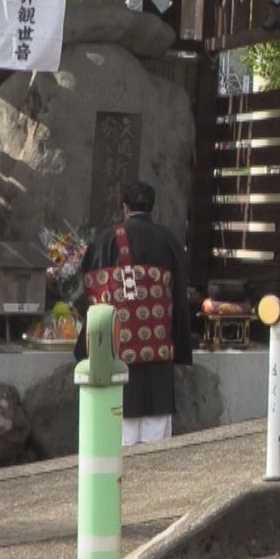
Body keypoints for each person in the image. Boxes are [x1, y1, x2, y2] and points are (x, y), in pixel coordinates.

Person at [75, 180, 192, 448]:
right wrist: (182, 346)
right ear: (153, 209)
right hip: (159, 353)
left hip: (119, 352)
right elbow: (180, 297)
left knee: (119, 438)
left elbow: (93, 294)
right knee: (157, 439)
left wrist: (85, 348)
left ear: (125, 207)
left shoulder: (105, 242)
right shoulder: (168, 240)